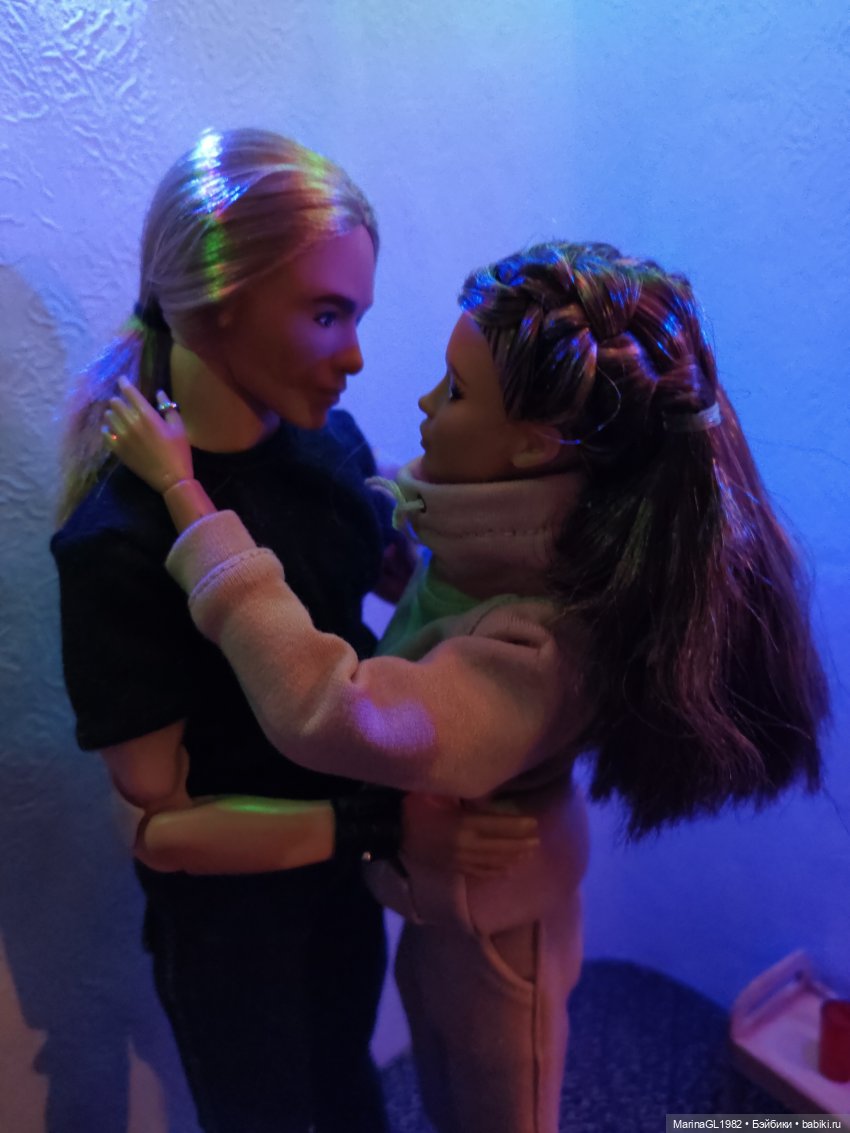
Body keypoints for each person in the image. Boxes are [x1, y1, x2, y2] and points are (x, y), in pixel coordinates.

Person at [105, 239, 829, 1133]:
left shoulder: (538, 644)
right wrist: (407, 568)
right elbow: (450, 605)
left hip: (496, 926)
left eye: (453, 391)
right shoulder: (504, 549)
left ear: (530, 448)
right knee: (444, 1079)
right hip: (442, 900)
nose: (422, 401)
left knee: (500, 1102)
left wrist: (189, 503)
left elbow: (333, 710)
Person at [50, 128, 536, 1133]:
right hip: (234, 931)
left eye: (354, 313)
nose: (355, 355)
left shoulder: (330, 445)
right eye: (325, 314)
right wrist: (380, 825)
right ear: (214, 304)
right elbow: (161, 827)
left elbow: (367, 608)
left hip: (342, 889)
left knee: (351, 1081)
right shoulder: (122, 540)